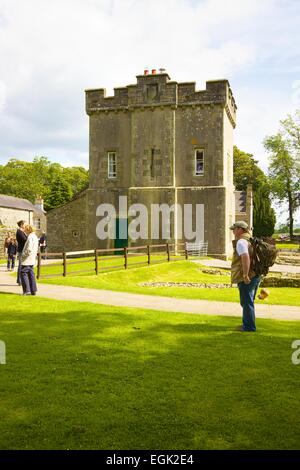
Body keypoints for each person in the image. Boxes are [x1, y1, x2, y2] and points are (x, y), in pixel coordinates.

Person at [230, 221, 260, 332]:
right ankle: (247, 325)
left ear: (240, 229)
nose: (233, 231)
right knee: (248, 302)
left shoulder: (241, 242)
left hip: (248, 276)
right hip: (256, 274)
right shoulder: (251, 240)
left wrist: (245, 274)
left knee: (246, 302)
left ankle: (249, 327)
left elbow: (245, 257)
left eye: (234, 229)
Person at [20, 224, 39, 296]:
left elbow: (29, 249)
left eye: (25, 229)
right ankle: (33, 290)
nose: (24, 230)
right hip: (32, 259)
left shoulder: (30, 237)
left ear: (28, 230)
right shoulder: (35, 236)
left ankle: (27, 291)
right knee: (31, 274)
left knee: (23, 273)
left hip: (27, 259)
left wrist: (23, 255)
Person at [16, 220, 27, 285]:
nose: (25, 226)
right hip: (21, 250)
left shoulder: (21, 231)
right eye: (24, 225)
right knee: (21, 265)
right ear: (21, 225)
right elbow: (25, 240)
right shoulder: (19, 232)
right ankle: (19, 280)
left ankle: (20, 280)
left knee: (22, 265)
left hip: (23, 250)